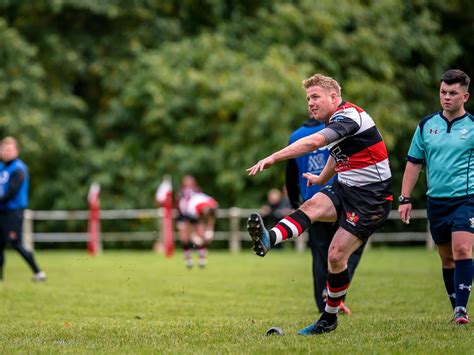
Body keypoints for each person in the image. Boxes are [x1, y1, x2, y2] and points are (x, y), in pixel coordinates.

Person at [246, 74, 393, 335]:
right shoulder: (334, 121)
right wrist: (322, 178)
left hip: (372, 198)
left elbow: (314, 143)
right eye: (308, 99)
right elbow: (338, 154)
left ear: (334, 98)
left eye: (316, 97)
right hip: (345, 186)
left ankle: (328, 318)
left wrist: (273, 157)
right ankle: (269, 238)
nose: (310, 103)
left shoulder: (349, 116)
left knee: (336, 256)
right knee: (311, 206)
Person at [398, 69, 473, 325]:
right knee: (446, 257)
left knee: (462, 248)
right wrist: (405, 198)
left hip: (466, 199)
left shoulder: (472, 126)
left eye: (453, 93)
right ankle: (456, 310)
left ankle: (462, 310)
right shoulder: (426, 126)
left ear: (465, 96)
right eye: (443, 92)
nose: (447, 97)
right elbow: (413, 163)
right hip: (436, 202)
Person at [285, 117, 365, 315]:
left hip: (312, 205)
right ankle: (333, 296)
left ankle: (324, 305)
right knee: (350, 248)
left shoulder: (295, 137)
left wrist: (296, 205)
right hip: (341, 199)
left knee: (320, 256)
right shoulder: (335, 128)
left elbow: (290, 176)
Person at [0, 137, 46, 282]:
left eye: (9, 149)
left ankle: (38, 272)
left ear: (16, 151)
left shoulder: (19, 168)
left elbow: (12, 191)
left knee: (15, 243)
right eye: (3, 149)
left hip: (14, 212)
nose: (6, 152)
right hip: (1, 211)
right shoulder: (1, 167)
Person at [176, 175, 218, 269]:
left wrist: (210, 229)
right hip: (185, 215)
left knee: (201, 234)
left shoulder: (210, 202)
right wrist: (193, 234)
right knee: (185, 238)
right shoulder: (185, 198)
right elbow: (188, 219)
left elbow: (212, 215)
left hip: (196, 214)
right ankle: (188, 257)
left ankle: (202, 256)